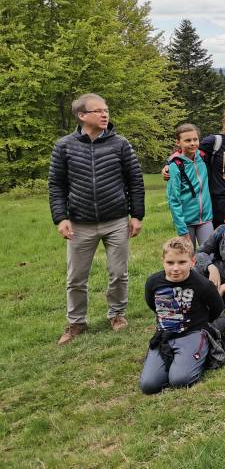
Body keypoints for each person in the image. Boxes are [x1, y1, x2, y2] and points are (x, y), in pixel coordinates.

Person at [48, 93, 145, 345]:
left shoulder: (120, 144)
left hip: (115, 220)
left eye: (106, 110)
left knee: (118, 272)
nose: (105, 114)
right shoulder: (64, 146)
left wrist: (137, 215)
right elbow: (56, 185)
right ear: (82, 115)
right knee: (76, 277)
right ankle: (76, 323)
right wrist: (60, 218)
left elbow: (135, 181)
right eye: (98, 111)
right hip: (79, 223)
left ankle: (117, 314)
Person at [140, 237, 224, 394]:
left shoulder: (202, 284)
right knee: (149, 385)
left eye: (182, 262)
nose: (175, 268)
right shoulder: (153, 282)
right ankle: (171, 359)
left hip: (192, 333)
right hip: (164, 335)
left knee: (180, 380)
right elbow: (153, 305)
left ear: (193, 262)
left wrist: (200, 324)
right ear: (163, 261)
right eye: (170, 263)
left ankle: (201, 349)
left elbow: (217, 307)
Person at [162, 106, 225, 229]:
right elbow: (188, 151)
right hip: (221, 202)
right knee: (221, 238)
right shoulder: (214, 141)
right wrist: (169, 164)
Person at [166, 123, 213, 248]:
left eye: (195, 139)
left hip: (206, 218)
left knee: (209, 254)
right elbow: (173, 200)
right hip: (186, 222)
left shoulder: (203, 158)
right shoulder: (175, 166)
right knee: (187, 256)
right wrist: (182, 229)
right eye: (187, 140)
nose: (192, 143)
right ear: (178, 142)